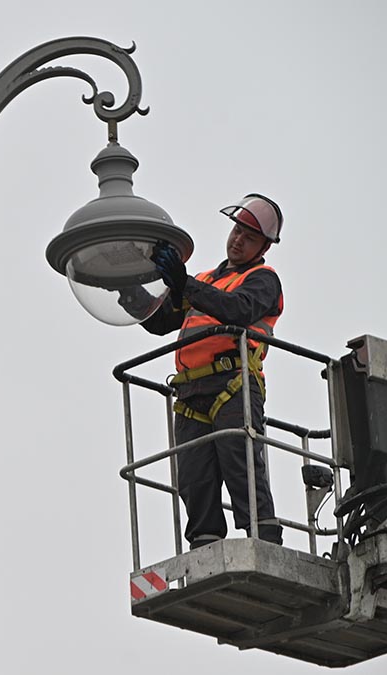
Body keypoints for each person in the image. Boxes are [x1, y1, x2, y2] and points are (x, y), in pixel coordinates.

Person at [136, 194, 285, 549]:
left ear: (263, 246)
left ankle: (264, 542)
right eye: (237, 231)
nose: (237, 240)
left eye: (248, 237)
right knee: (194, 477)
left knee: (241, 464)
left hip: (232, 385)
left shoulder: (263, 280)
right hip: (190, 391)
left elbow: (237, 309)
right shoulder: (204, 279)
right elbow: (160, 322)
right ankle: (204, 547)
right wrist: (125, 284)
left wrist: (183, 282)